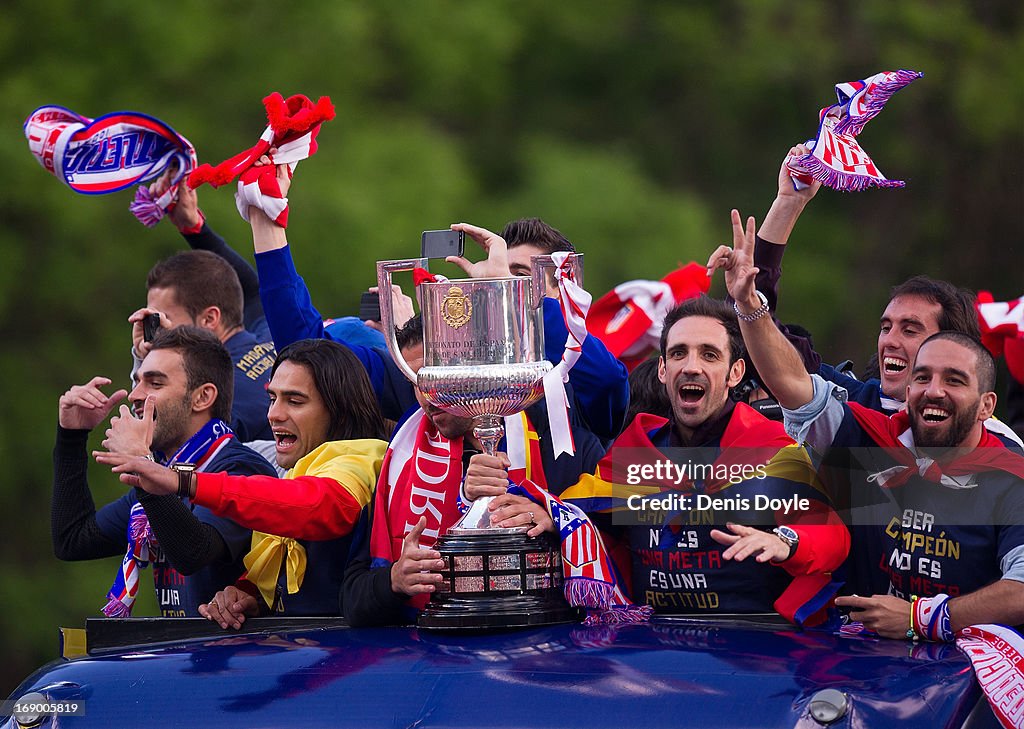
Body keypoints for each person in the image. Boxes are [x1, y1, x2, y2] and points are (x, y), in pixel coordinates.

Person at [722, 209, 1024, 638]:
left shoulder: (1012, 470)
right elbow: (789, 376)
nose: (932, 390)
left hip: (965, 676)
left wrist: (922, 619)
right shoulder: (869, 430)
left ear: (985, 404)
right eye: (922, 376)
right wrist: (748, 303)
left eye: (953, 379)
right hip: (860, 665)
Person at [470, 296, 849, 624]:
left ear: (735, 373)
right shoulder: (635, 449)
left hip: (755, 648)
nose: (692, 366)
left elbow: (833, 536)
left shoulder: (773, 451)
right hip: (652, 653)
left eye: (710, 355)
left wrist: (786, 542)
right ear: (664, 370)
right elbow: (581, 512)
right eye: (678, 353)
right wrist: (542, 513)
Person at [247, 158, 628, 442]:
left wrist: (509, 296)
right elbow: (309, 354)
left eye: (522, 279)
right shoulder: (440, 376)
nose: (506, 288)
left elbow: (609, 385)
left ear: (566, 295)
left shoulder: (579, 380)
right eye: (500, 274)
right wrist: (267, 226)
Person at [98, 339, 389, 627]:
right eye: (273, 398)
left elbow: (309, 505)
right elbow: (72, 540)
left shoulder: (361, 460)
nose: (273, 414)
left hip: (350, 666)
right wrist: (248, 596)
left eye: (295, 401)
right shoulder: (303, 468)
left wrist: (181, 481)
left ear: (338, 410)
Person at [340, 315, 607, 627]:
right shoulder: (402, 456)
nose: (428, 397)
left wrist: (554, 519)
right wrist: (394, 581)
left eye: (438, 379)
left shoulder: (563, 443)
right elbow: (351, 597)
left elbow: (625, 543)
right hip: (436, 661)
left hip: (545, 660)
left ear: (482, 368)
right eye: (416, 384)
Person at [53, 327, 276, 617]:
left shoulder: (238, 467)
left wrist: (143, 466)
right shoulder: (166, 470)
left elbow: (193, 552)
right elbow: (73, 540)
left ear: (202, 397)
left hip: (240, 658)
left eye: (154, 384)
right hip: (187, 657)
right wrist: (72, 436)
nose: (135, 395)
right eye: (136, 382)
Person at [129, 249, 276, 442]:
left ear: (209, 319)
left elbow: (149, 441)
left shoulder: (218, 392)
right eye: (153, 320)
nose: (157, 330)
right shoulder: (272, 335)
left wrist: (145, 362)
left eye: (166, 318)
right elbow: (254, 290)